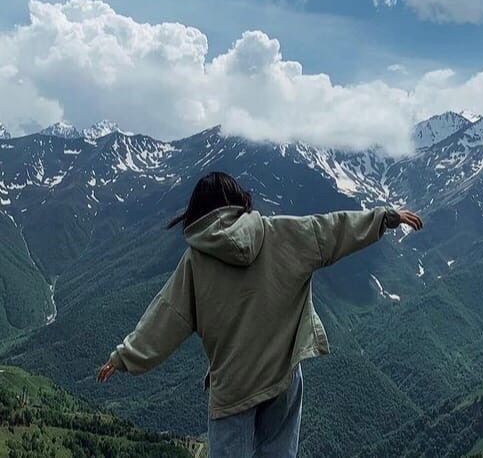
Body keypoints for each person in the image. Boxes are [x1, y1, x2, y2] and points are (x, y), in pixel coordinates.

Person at [97, 171, 423, 457]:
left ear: (198, 212)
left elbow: (167, 316)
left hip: (233, 386)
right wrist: (384, 218)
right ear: (239, 201)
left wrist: (125, 356)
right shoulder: (281, 233)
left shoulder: (196, 260)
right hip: (283, 373)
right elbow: (334, 229)